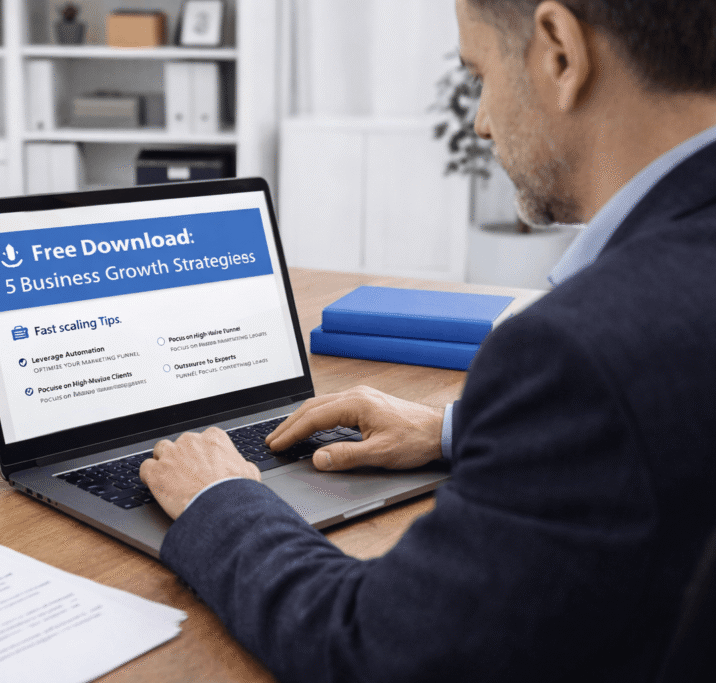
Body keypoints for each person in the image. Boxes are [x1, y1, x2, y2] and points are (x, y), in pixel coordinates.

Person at [139, 1, 716, 681]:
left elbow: (376, 650)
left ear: (560, 51)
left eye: (480, 74)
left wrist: (220, 501)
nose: (480, 120)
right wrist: (451, 429)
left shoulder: (578, 351)